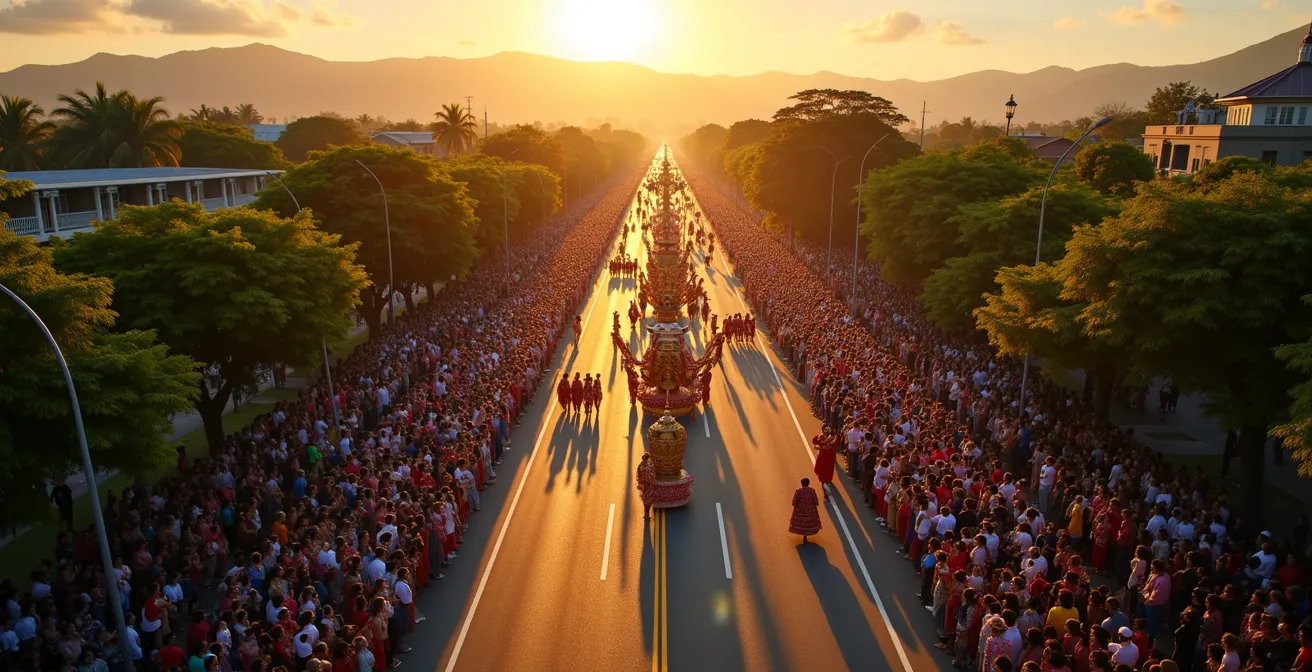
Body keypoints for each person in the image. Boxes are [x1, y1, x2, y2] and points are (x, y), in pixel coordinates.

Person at [789, 478, 822, 543]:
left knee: (802, 522)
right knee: (809, 522)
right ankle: (806, 535)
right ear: (808, 483)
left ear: (801, 483)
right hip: (810, 510)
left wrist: (796, 505)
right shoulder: (812, 491)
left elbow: (794, 501)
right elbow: (816, 501)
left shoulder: (798, 491)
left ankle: (804, 535)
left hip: (800, 510)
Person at [812, 425, 838, 498]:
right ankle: (827, 482)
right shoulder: (834, 439)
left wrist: (819, 447)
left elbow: (816, 444)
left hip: (824, 457)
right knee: (828, 469)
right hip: (829, 457)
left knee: (823, 470)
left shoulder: (821, 438)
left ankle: (825, 484)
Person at [637, 453, 657, 519]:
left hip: (644, 486)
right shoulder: (650, 465)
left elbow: (638, 474)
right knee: (649, 500)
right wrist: (652, 484)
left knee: (645, 500)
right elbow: (652, 475)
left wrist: (640, 483)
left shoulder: (641, 465)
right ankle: (647, 513)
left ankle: (646, 513)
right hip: (649, 486)